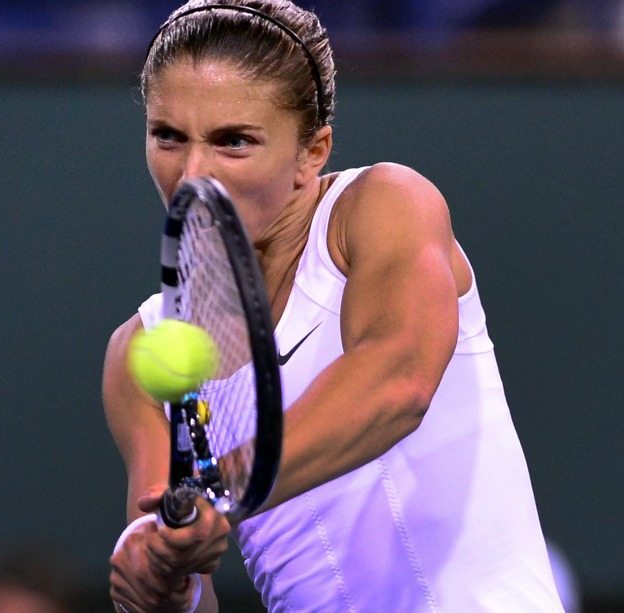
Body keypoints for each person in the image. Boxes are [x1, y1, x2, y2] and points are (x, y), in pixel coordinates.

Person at [103, 1, 563, 611]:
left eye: (233, 142)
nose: (192, 174)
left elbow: (396, 383)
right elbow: (183, 572)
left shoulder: (381, 207)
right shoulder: (136, 352)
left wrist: (225, 487)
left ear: (312, 153)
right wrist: (161, 576)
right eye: (167, 136)